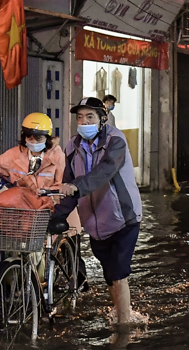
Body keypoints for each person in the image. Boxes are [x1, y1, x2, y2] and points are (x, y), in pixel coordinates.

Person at [56, 97, 144, 327]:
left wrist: (78, 186)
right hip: (96, 225)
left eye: (90, 117)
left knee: (118, 271)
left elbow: (104, 172)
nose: (84, 122)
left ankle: (124, 327)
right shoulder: (71, 147)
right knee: (109, 274)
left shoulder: (116, 140)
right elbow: (69, 185)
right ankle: (122, 314)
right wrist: (56, 215)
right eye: (80, 117)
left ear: (102, 119)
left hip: (124, 219)